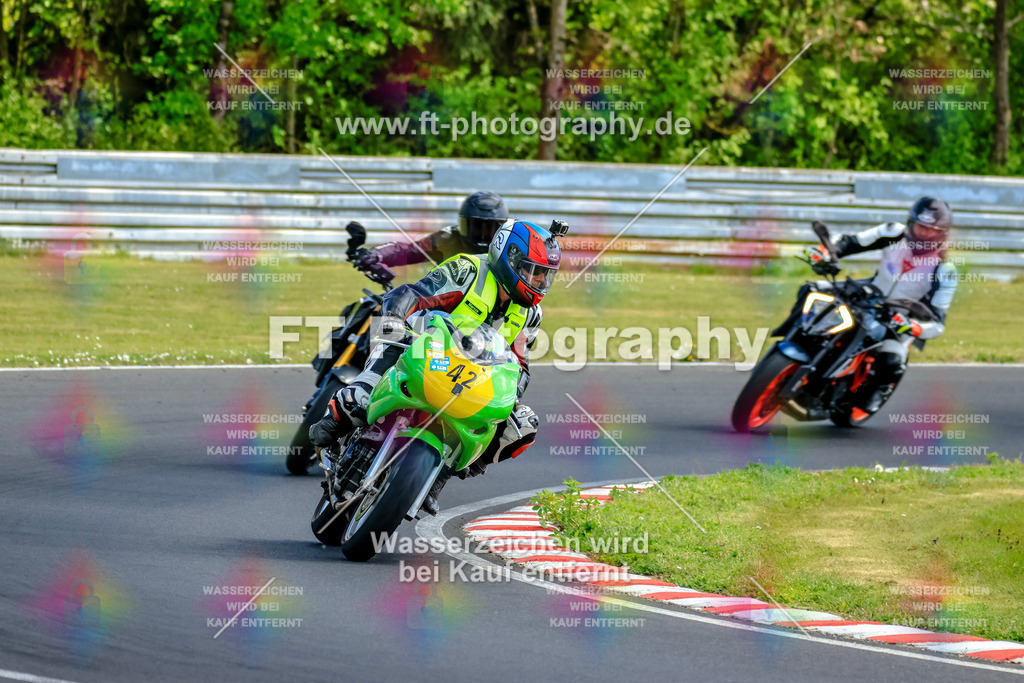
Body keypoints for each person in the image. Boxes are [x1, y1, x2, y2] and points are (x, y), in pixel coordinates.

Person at [310, 218, 564, 514]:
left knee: (522, 425)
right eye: (533, 272)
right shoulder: (469, 271)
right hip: (416, 345)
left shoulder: (531, 314)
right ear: (508, 257)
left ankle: (439, 476)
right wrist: (394, 321)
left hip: (472, 376)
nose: (539, 282)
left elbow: (521, 364)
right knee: (360, 398)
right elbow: (409, 294)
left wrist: (513, 395)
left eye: (546, 276)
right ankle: (331, 428)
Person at [798, 196, 957, 412]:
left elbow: (938, 323)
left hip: (900, 317)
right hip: (867, 293)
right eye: (921, 226)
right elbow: (851, 241)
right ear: (911, 224)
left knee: (891, 361)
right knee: (811, 290)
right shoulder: (893, 232)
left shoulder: (945, 270)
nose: (924, 233)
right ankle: (795, 341)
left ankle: (869, 396)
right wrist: (825, 252)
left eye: (932, 230)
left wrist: (914, 327)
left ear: (943, 234)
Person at [349, 190, 508, 274]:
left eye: (490, 228)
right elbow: (409, 250)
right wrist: (376, 254)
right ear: (463, 224)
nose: (482, 234)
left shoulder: (510, 248)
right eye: (477, 226)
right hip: (439, 311)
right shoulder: (448, 239)